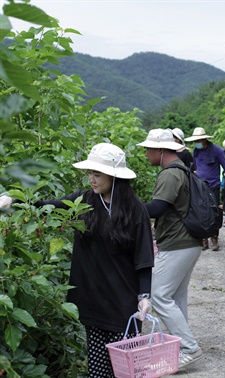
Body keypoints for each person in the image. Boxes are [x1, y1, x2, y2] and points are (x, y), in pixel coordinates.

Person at [0, 143, 154, 377]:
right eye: (90, 173)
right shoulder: (84, 201)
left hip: (123, 303)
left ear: (114, 176)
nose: (92, 179)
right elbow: (46, 207)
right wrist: (14, 201)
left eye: (97, 174)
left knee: (126, 370)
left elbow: (143, 258)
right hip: (93, 299)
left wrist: (144, 297)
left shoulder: (135, 210)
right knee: (98, 368)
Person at [137, 129, 204, 369]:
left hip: (178, 243)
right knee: (175, 297)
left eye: (148, 149)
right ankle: (179, 348)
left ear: (161, 150)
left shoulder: (170, 174)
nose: (146, 153)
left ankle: (189, 348)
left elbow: (156, 209)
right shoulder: (182, 169)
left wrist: (125, 208)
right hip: (189, 242)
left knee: (157, 295)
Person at [184, 127, 225, 250]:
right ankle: (204, 239)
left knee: (213, 212)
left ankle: (214, 237)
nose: (196, 143)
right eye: (195, 141)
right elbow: (194, 167)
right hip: (200, 185)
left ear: (204, 140)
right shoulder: (196, 151)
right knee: (201, 212)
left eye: (199, 140)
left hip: (213, 185)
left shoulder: (216, 150)